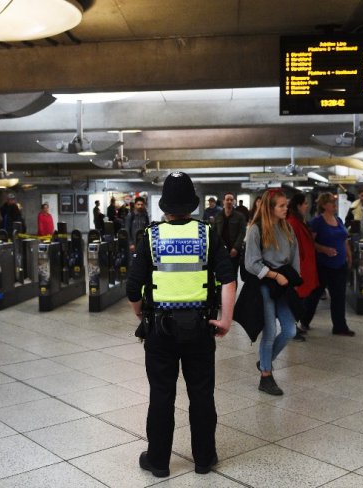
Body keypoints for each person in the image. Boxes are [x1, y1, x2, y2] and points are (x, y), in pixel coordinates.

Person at [127, 171, 235, 478]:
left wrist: (141, 314)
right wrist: (225, 319)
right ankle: (204, 458)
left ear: (165, 206)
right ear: (192, 205)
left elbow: (133, 288)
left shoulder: (151, 236)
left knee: (161, 395)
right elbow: (228, 279)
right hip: (201, 329)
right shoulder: (208, 234)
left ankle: (159, 461)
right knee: (202, 394)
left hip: (160, 330)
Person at [241, 189, 301, 395]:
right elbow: (251, 263)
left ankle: (264, 361)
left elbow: (294, 255)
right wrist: (274, 275)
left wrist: (292, 279)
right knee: (269, 332)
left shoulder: (287, 228)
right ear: (270, 208)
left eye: (286, 205)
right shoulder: (256, 230)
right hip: (265, 283)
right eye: (281, 206)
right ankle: (265, 377)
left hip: (282, 284)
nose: (286, 209)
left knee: (290, 329)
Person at [303, 192, 355, 336]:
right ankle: (304, 320)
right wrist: (323, 249)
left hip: (340, 265)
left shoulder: (338, 220)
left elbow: (344, 239)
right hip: (324, 265)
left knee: (339, 296)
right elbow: (310, 242)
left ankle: (339, 326)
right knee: (314, 295)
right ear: (324, 205)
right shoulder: (317, 222)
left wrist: (349, 256)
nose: (335, 205)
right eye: (332, 202)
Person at [286, 193, 319, 341]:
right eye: (305, 203)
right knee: (296, 300)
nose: (307, 206)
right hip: (299, 268)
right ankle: (291, 328)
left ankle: (294, 326)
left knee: (300, 299)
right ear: (298, 205)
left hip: (303, 266)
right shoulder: (293, 222)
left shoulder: (298, 220)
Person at [213, 192, 247, 276]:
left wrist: (236, 248)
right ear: (223, 201)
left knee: (233, 274)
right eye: (227, 199)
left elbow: (242, 233)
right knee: (221, 274)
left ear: (234, 202)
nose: (229, 201)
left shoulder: (240, 217)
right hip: (220, 250)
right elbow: (214, 232)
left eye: (231, 200)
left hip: (234, 251)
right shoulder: (217, 216)